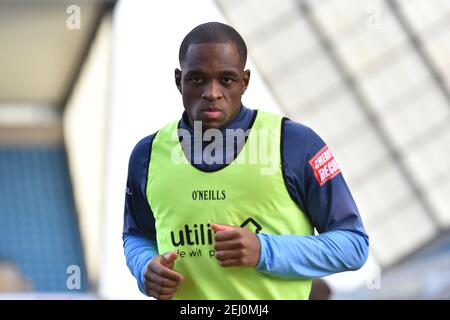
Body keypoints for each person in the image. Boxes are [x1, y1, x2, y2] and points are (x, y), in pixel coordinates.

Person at [123, 22, 369, 300]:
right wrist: (144, 267)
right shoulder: (147, 154)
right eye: (197, 79)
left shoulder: (295, 143)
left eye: (226, 79)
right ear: (179, 80)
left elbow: (353, 245)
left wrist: (264, 251)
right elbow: (136, 236)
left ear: (245, 81)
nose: (211, 92)